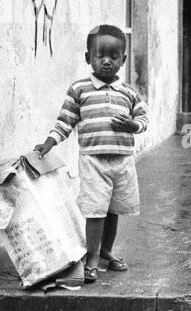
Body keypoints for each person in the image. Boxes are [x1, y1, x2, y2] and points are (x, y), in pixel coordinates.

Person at [34, 25, 147, 283]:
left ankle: (106, 251)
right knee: (95, 210)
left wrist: (133, 126)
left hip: (122, 160)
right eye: (100, 55)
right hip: (93, 160)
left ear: (123, 60)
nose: (106, 61)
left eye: (113, 56)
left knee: (113, 209)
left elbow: (143, 118)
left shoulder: (129, 92)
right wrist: (49, 142)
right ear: (89, 58)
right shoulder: (80, 90)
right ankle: (92, 257)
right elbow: (65, 121)